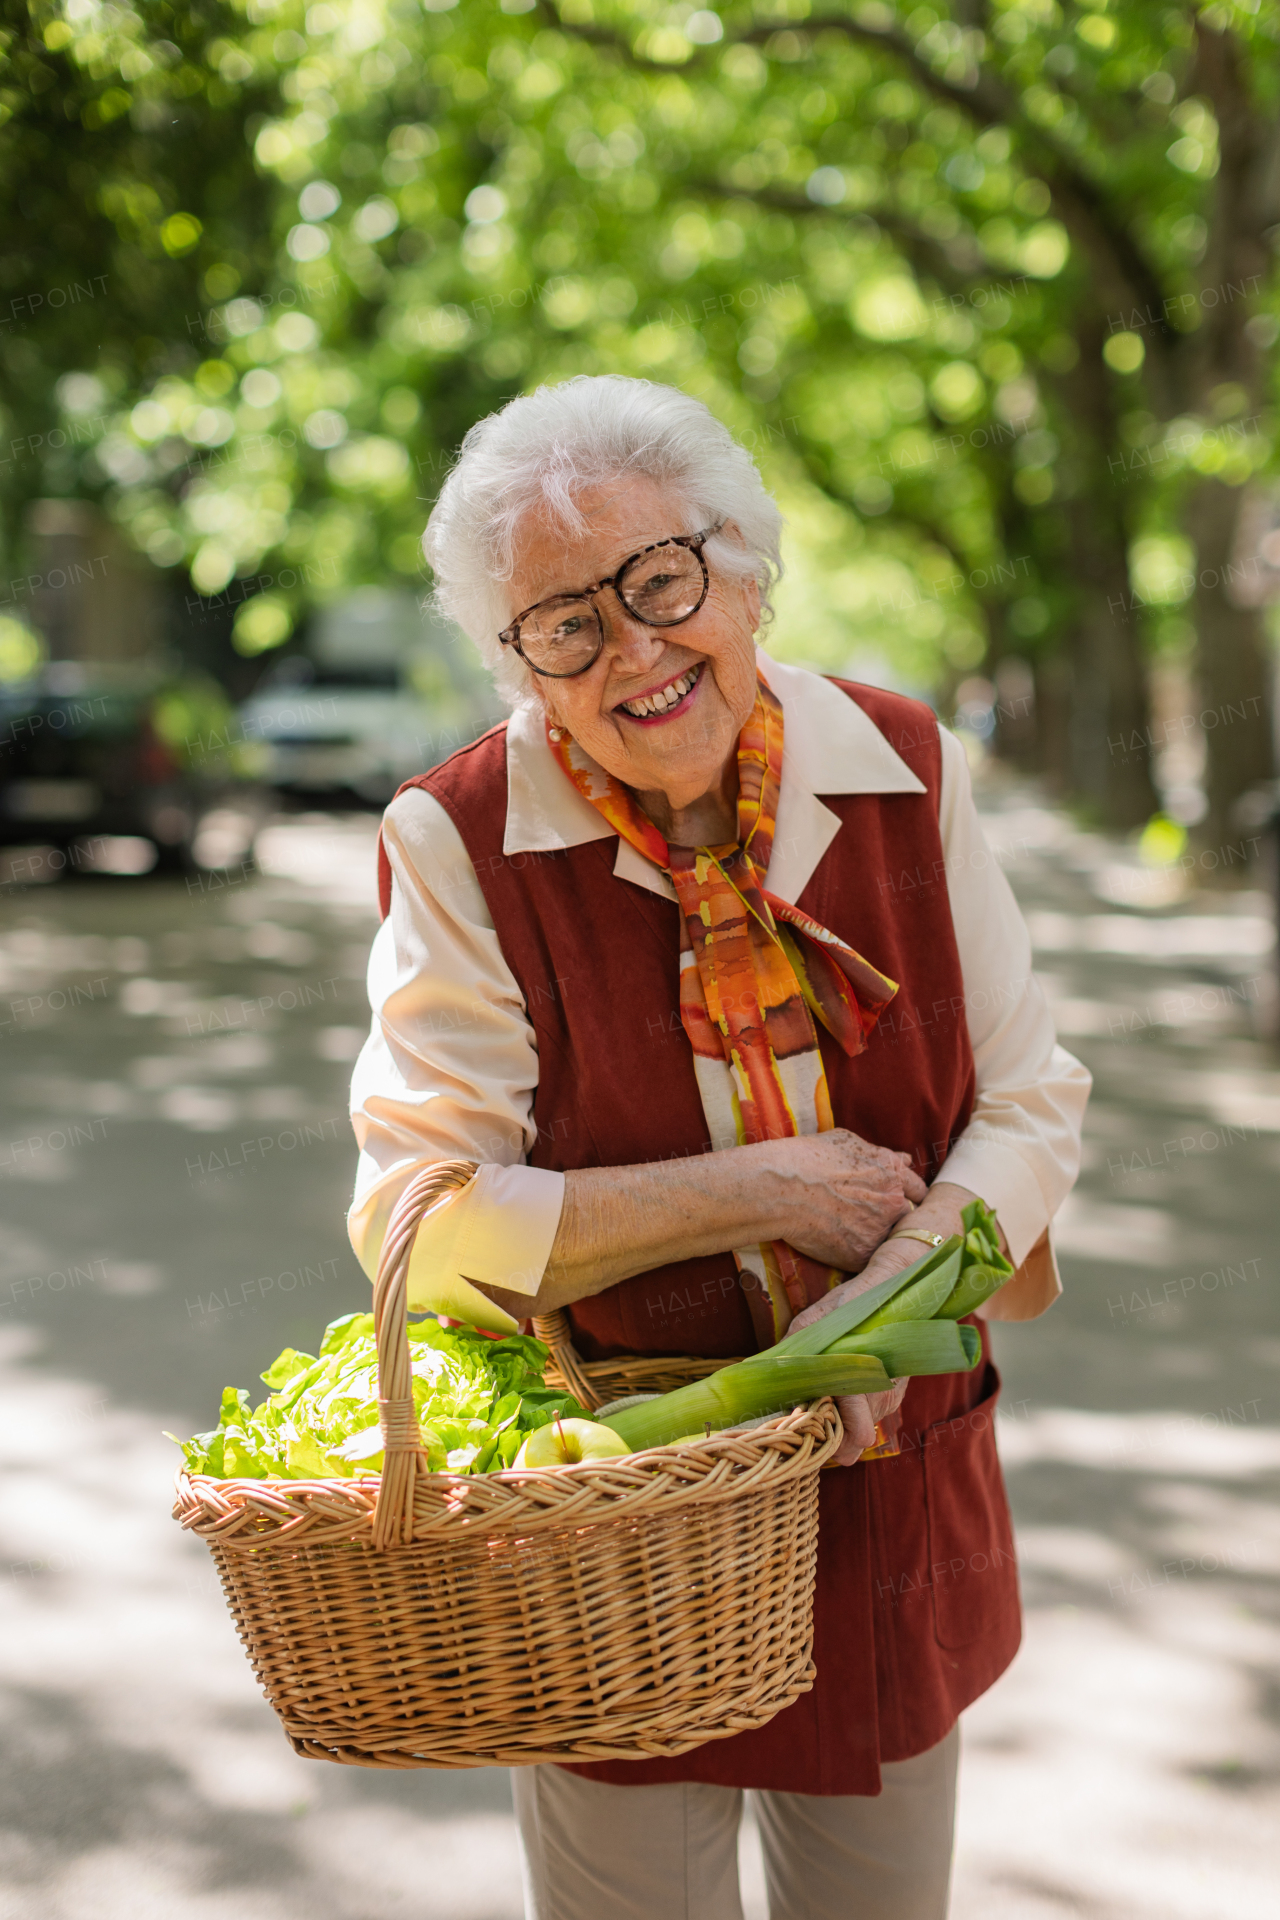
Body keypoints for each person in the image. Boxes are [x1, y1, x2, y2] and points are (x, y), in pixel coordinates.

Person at [347, 375, 1090, 1920]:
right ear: (519, 662)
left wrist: (884, 1294)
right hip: (625, 1527)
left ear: (743, 568)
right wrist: (757, 1190)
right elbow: (420, 1221)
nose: (634, 650)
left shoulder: (906, 764)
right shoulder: (459, 837)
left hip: (890, 1478)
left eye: (661, 580)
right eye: (564, 622)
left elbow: (1029, 1097)